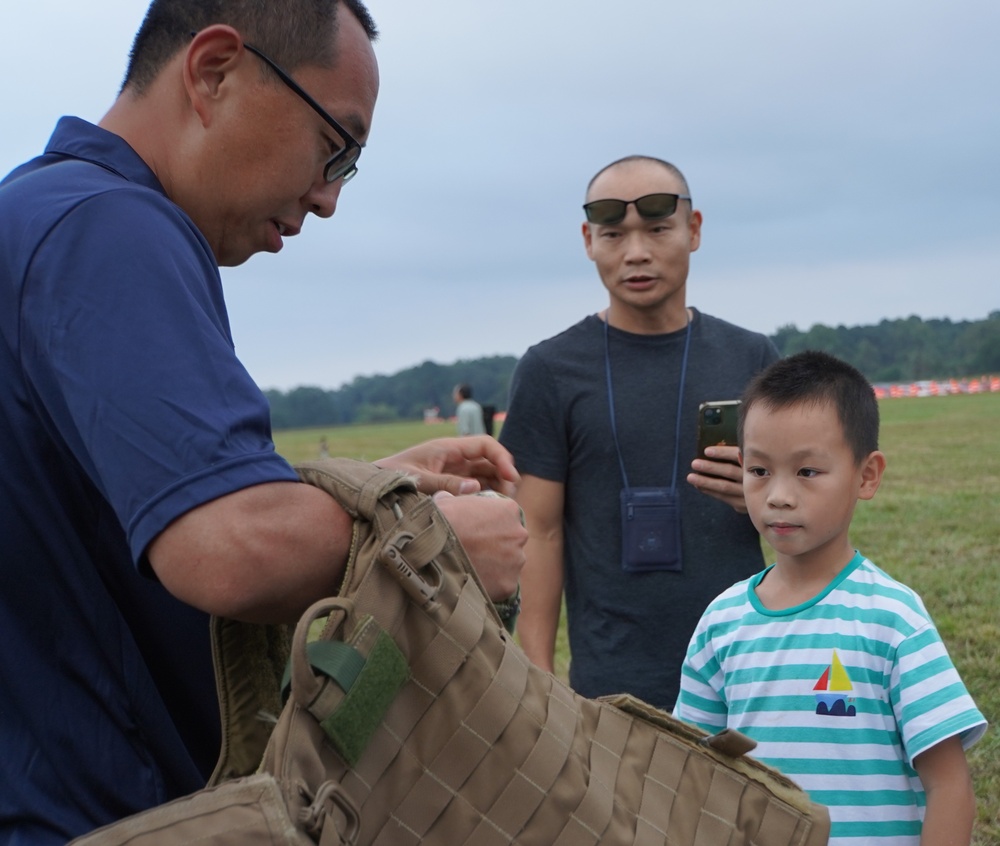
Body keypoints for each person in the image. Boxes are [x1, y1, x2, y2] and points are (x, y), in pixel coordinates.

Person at [0, 3, 526, 844]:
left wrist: (373, 484)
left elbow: (118, 527)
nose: (326, 199)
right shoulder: (110, 227)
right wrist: (434, 533)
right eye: (335, 147)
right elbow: (227, 548)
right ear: (213, 72)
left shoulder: (36, 214)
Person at [499, 155, 780, 710]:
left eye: (657, 229)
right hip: (614, 682)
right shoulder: (551, 371)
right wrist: (537, 678)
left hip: (748, 665)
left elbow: (810, 511)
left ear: (693, 231)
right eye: (613, 234)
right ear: (588, 241)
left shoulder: (753, 359)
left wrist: (758, 496)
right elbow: (540, 533)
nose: (636, 252)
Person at [674, 351, 987, 845]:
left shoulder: (893, 619)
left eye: (807, 472)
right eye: (759, 471)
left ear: (867, 476)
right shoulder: (721, 622)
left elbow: (948, 784)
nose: (778, 495)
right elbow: (690, 772)